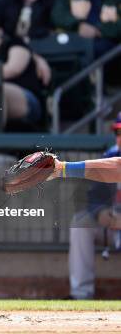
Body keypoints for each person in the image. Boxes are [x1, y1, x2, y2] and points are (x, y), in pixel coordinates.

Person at [64, 113, 121, 300]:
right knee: (81, 222)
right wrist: (101, 212)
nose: (120, 137)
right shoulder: (110, 156)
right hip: (114, 228)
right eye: (117, 131)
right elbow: (94, 196)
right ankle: (80, 293)